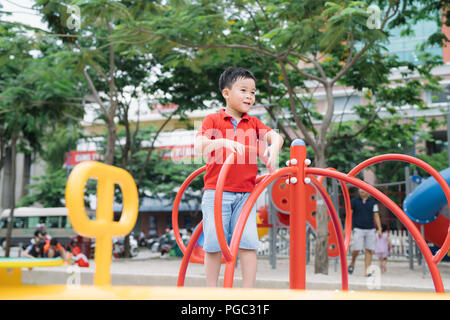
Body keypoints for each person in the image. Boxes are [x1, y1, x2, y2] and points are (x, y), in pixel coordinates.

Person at [194, 67, 283, 287]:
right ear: (226, 93)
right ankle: (212, 292)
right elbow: (198, 146)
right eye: (243, 90)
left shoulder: (253, 123)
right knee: (214, 245)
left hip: (246, 195)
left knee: (248, 243)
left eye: (253, 92)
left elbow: (275, 136)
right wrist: (222, 142)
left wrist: (276, 147)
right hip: (217, 192)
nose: (249, 96)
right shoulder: (213, 120)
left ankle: (247, 292)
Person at [348, 188, 382, 276]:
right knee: (357, 248)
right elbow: (349, 215)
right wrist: (346, 228)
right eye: (360, 189)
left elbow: (376, 215)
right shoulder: (354, 201)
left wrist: (380, 229)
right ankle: (352, 262)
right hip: (358, 228)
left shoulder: (372, 203)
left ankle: (367, 270)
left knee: (369, 249)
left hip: (370, 228)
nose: (361, 191)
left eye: (363, 189)